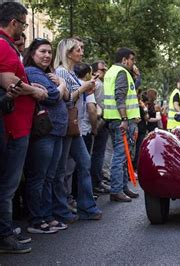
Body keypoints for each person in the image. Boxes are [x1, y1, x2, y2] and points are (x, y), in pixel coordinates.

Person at [0, 1, 48, 254]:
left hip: (17, 126)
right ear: (14, 23)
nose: (24, 30)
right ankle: (5, 236)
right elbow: (9, 81)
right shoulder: (3, 45)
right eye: (24, 23)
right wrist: (35, 90)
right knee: (7, 185)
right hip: (13, 127)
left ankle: (6, 230)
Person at [23, 38, 69, 234]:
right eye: (42, 51)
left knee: (49, 177)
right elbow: (52, 96)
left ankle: (47, 215)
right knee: (39, 177)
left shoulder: (47, 73)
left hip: (57, 131)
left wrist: (61, 88)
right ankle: (36, 220)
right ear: (32, 53)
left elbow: (66, 97)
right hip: (44, 132)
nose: (47, 55)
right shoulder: (32, 72)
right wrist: (62, 85)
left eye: (50, 52)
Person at [54, 38, 102, 222]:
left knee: (83, 163)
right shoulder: (61, 72)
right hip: (66, 126)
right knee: (61, 170)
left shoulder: (71, 73)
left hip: (74, 127)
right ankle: (62, 209)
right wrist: (84, 88)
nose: (82, 52)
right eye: (78, 49)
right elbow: (67, 99)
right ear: (68, 53)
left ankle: (86, 206)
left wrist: (87, 88)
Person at [103, 47, 140, 202]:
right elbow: (120, 97)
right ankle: (117, 190)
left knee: (123, 155)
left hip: (113, 119)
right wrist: (125, 119)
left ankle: (123, 187)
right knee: (120, 156)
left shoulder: (111, 71)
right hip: (121, 121)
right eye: (132, 60)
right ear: (125, 59)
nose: (133, 63)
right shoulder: (122, 73)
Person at [90, 60, 110, 194]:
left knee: (98, 153)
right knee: (97, 154)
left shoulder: (99, 83)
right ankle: (96, 183)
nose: (104, 72)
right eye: (102, 70)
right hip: (98, 121)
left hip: (99, 121)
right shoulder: (97, 84)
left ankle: (97, 181)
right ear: (95, 71)